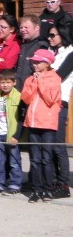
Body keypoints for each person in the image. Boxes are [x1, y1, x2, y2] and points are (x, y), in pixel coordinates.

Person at [21, 49, 63, 202]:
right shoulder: (30, 78)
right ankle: (36, 189)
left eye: (38, 62)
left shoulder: (54, 78)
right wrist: (33, 82)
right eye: (33, 62)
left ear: (47, 63)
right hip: (33, 122)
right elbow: (26, 98)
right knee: (35, 158)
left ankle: (47, 188)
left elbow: (51, 99)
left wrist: (41, 82)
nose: (35, 65)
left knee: (46, 158)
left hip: (47, 124)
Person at [0, 69, 25, 196]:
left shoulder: (19, 96)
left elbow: (21, 119)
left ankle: (15, 184)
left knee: (14, 161)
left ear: (14, 83)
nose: (5, 85)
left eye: (8, 82)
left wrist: (16, 136)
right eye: (3, 82)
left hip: (11, 135)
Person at [48, 23, 73, 198]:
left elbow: (58, 75)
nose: (50, 38)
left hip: (59, 101)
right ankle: (53, 180)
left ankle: (63, 185)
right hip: (47, 102)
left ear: (62, 36)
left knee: (58, 145)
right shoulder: (53, 52)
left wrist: (42, 71)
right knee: (49, 145)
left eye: (53, 35)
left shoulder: (70, 53)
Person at [15, 14, 49, 89]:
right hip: (19, 89)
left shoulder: (42, 46)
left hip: (32, 90)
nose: (23, 30)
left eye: (26, 27)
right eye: (21, 27)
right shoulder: (23, 44)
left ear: (36, 28)